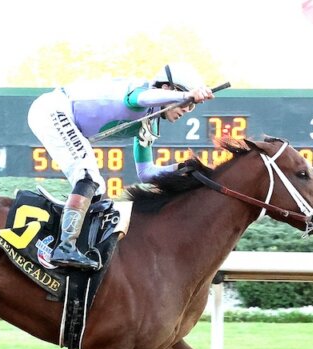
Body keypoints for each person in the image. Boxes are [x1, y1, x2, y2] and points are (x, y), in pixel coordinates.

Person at [27, 62, 215, 270]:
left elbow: (146, 173)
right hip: (53, 109)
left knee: (97, 189)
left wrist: (180, 167)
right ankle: (65, 246)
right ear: (166, 89)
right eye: (186, 102)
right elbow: (143, 98)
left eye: (192, 105)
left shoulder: (148, 124)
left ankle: (73, 245)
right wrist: (184, 96)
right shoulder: (141, 94)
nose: (187, 109)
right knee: (89, 177)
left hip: (60, 116)